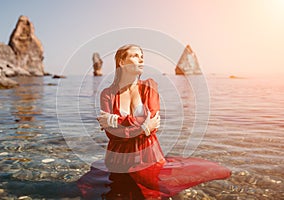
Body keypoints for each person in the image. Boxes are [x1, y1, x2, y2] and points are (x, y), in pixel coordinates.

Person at [77, 44, 231, 199]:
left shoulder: (150, 86)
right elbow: (112, 135)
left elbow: (153, 126)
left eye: (142, 57)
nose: (141, 60)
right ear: (122, 62)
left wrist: (115, 119)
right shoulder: (107, 94)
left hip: (148, 156)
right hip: (118, 159)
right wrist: (142, 126)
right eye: (135, 56)